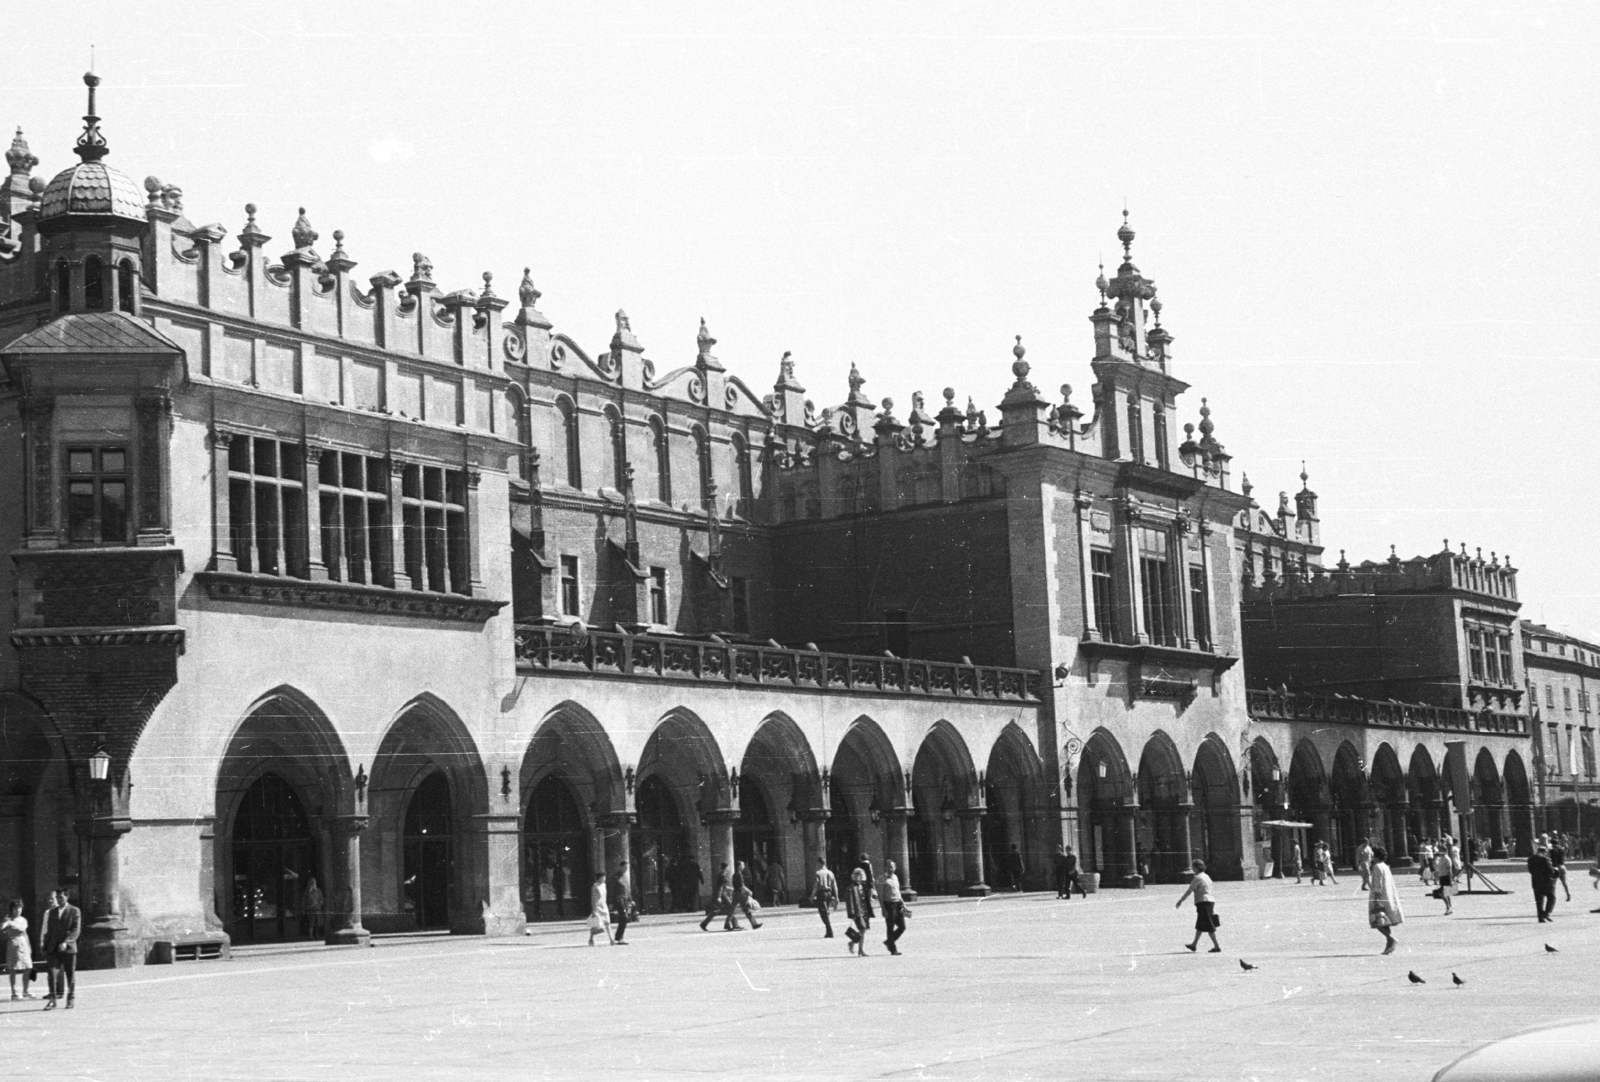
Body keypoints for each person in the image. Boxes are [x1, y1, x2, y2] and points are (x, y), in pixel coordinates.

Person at [41, 887, 79, 1009]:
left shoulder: (74, 911)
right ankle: (52, 1000)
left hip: (68, 949)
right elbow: (49, 931)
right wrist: (45, 946)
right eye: (57, 897)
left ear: (67, 897)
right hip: (53, 949)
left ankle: (70, 999)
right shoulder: (52, 912)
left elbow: (75, 930)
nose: (59, 900)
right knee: (52, 974)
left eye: (61, 897)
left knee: (70, 975)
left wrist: (66, 942)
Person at [1176, 859, 1220, 953]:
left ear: (1196, 868)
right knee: (1200, 925)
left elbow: (1189, 891)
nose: (1192, 869)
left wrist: (1180, 901)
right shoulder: (1207, 876)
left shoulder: (1197, 878)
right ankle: (1194, 944)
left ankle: (1216, 946)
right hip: (1210, 901)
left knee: (1209, 925)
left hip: (1203, 902)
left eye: (1193, 867)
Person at [1367, 846, 1403, 955]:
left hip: (1379, 897)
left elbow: (1378, 883)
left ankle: (1390, 938)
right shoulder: (1385, 866)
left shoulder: (1376, 867)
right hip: (1387, 896)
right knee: (1384, 921)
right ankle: (1388, 944)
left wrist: (1376, 899)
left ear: (1376, 856)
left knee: (1377, 921)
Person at [3, 899, 36, 1001]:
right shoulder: (8, 920)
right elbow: (2, 927)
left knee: (28, 967)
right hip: (13, 944)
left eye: (19, 908)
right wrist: (5, 922)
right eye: (15, 908)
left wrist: (29, 946)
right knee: (13, 969)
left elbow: (25, 933)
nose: (18, 910)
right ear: (11, 909)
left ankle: (25, 991)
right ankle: (14, 993)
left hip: (23, 944)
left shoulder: (23, 920)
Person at [880, 859, 906, 956]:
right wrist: (883, 908)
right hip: (889, 904)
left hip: (898, 903)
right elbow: (880, 895)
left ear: (895, 868)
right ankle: (893, 949)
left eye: (892, 867)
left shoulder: (895, 877)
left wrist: (903, 903)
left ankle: (889, 942)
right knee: (890, 927)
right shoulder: (882, 878)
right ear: (885, 868)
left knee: (902, 926)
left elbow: (898, 891)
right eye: (888, 867)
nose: (890, 869)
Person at [700, 862, 735, 931]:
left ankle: (704, 923)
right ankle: (730, 924)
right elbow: (721, 887)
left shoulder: (721, 875)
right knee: (730, 908)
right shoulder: (722, 875)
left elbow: (721, 886)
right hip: (722, 895)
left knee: (716, 910)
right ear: (726, 867)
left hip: (720, 894)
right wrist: (719, 896)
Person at [843, 867, 871, 956]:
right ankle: (858, 948)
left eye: (861, 876)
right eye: (859, 875)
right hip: (857, 912)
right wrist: (851, 913)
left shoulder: (861, 886)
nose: (860, 878)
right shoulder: (851, 888)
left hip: (863, 911)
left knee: (863, 930)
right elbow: (850, 901)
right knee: (862, 929)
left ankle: (856, 946)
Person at [607, 861, 634, 945]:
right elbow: (611, 890)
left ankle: (619, 937)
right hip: (618, 900)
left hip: (625, 900)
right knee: (624, 917)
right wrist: (610, 902)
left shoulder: (625, 877)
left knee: (624, 918)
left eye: (627, 868)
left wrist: (630, 900)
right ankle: (619, 937)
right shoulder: (615, 877)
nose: (626, 869)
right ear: (620, 867)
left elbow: (627, 889)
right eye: (624, 867)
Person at [1528, 844, 1556, 923]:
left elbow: (1530, 870)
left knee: (1539, 901)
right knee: (1552, 898)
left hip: (1535, 882)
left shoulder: (1531, 859)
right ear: (1545, 852)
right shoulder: (1545, 859)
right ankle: (1546, 913)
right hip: (1546, 882)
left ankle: (1540, 918)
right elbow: (1550, 870)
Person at [810, 857, 838, 938]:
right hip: (829, 893)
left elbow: (816, 885)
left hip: (821, 894)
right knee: (826, 912)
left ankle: (830, 931)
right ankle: (828, 931)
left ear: (819, 863)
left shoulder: (818, 873)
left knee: (823, 913)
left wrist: (812, 895)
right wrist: (836, 897)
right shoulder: (830, 873)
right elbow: (834, 886)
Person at [731, 860, 763, 930]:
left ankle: (734, 924)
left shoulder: (734, 874)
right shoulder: (739, 874)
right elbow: (741, 885)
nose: (744, 866)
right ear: (739, 866)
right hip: (740, 893)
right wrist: (749, 891)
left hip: (735, 893)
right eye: (742, 865)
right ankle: (754, 924)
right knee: (746, 909)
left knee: (732, 909)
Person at [587, 872, 615, 946]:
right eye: (603, 877)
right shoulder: (595, 886)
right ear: (599, 878)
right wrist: (593, 910)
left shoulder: (604, 885)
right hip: (597, 906)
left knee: (607, 923)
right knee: (595, 924)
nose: (604, 879)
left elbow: (605, 896)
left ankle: (611, 939)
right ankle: (591, 939)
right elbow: (593, 899)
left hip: (604, 906)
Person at [1433, 843, 1456, 916]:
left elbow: (1449, 870)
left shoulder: (1447, 859)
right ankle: (1449, 908)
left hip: (1446, 877)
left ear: (1445, 851)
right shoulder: (1441, 858)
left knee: (1442, 893)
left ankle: (1448, 907)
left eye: (1441, 850)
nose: (1439, 851)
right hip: (1442, 877)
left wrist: (1451, 879)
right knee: (1446, 894)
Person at [855, 854, 877, 927]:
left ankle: (863, 922)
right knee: (867, 904)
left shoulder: (859, 865)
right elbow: (871, 875)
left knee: (861, 905)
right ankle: (867, 921)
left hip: (861, 886)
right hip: (867, 885)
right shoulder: (868, 864)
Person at [1550, 836, 1572, 902]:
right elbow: (1564, 858)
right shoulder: (1561, 850)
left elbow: (1553, 860)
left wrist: (1553, 868)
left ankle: (1552, 897)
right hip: (1563, 866)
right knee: (1565, 882)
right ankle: (1568, 895)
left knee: (1553, 883)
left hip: (1556, 867)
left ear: (1552, 844)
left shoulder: (1552, 850)